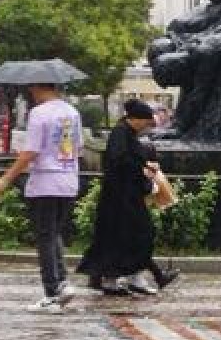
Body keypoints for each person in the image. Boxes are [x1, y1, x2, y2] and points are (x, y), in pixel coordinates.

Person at [0, 83, 83, 314]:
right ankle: (62, 284)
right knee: (54, 233)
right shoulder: (72, 112)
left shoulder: (39, 114)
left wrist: (5, 179)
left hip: (46, 183)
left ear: (36, 87)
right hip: (68, 181)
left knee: (44, 237)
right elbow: (75, 149)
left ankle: (51, 293)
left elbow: (31, 152)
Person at [76, 99, 180, 296]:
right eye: (145, 122)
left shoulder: (126, 134)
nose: (145, 127)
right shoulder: (120, 134)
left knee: (128, 237)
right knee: (139, 234)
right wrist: (143, 169)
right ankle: (133, 278)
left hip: (125, 197)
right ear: (136, 119)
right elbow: (120, 161)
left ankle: (125, 279)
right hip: (120, 198)